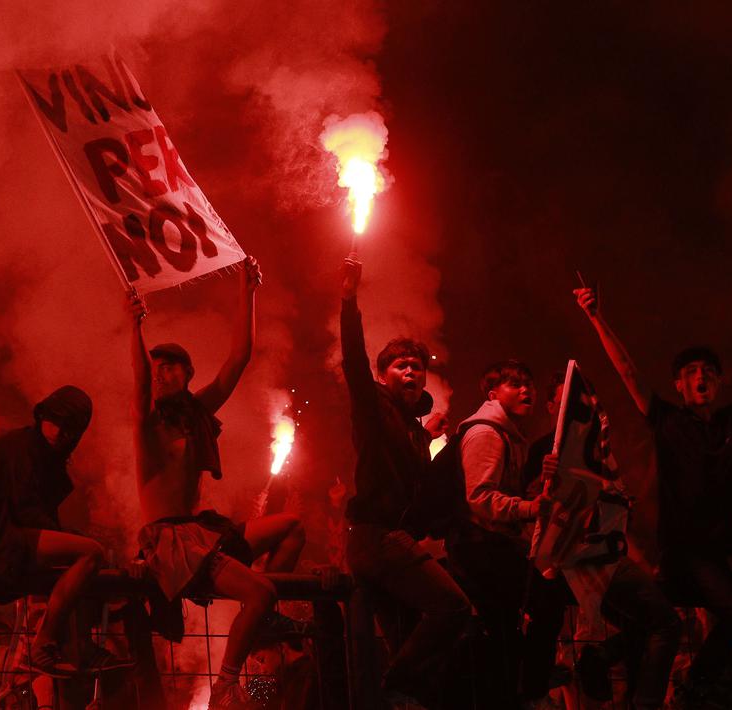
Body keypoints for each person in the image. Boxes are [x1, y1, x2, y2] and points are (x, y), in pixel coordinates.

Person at [574, 285, 732, 699]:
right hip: (687, 552)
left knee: (666, 617)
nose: (701, 376)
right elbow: (627, 370)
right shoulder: (667, 421)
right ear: (678, 384)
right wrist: (595, 316)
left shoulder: (730, 423)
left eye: (709, 370)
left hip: (709, 557)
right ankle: (699, 685)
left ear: (719, 381)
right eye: (692, 371)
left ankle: (607, 656)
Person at [128, 256, 306, 710]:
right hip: (171, 542)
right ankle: (225, 688)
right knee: (261, 593)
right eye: (157, 366)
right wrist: (135, 327)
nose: (161, 372)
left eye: (172, 366)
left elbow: (237, 361)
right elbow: (138, 382)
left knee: (291, 528)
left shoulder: (196, 417)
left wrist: (248, 289)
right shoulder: (147, 425)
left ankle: (261, 618)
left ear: (188, 376)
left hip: (200, 534)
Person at [338, 254, 474, 707]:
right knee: (453, 608)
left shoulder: (415, 432)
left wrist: (434, 442)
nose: (411, 371)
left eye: (417, 365)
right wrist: (348, 299)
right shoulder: (373, 407)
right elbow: (354, 361)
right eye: (401, 365)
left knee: (405, 637)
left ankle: (399, 697)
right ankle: (396, 687)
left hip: (391, 541)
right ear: (382, 376)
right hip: (377, 539)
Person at [524, 372, 681, 709]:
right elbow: (531, 509)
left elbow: (614, 506)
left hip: (602, 556)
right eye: (567, 399)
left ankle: (606, 663)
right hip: (570, 564)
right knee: (662, 622)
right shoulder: (542, 452)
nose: (578, 405)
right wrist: (545, 480)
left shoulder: (598, 448)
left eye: (581, 398)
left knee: (649, 621)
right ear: (552, 406)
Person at [0, 385, 109, 678]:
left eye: (68, 427)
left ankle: (70, 645)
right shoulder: (24, 449)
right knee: (92, 554)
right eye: (55, 421)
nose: (58, 431)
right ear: (43, 414)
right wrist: (71, 538)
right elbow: (28, 513)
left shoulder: (34, 451)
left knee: (74, 562)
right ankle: (44, 644)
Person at [445, 359, 566, 708]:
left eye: (528, 383)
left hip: (489, 548)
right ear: (493, 394)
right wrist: (530, 508)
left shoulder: (510, 435)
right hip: (480, 549)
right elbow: (480, 498)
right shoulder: (486, 432)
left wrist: (535, 486)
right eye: (515, 384)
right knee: (542, 601)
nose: (526, 389)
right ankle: (531, 690)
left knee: (503, 636)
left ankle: (519, 690)